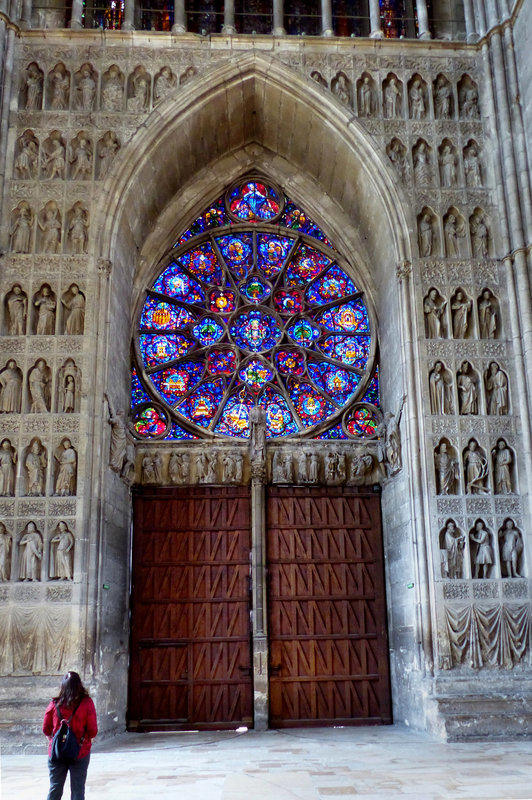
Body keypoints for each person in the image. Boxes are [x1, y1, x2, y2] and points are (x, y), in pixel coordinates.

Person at [43, 671, 98, 800]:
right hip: (80, 751)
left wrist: (53, 738)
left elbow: (46, 729)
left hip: (57, 752)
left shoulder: (54, 704)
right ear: (79, 685)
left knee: (55, 788)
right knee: (78, 790)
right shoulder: (87, 703)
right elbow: (93, 730)